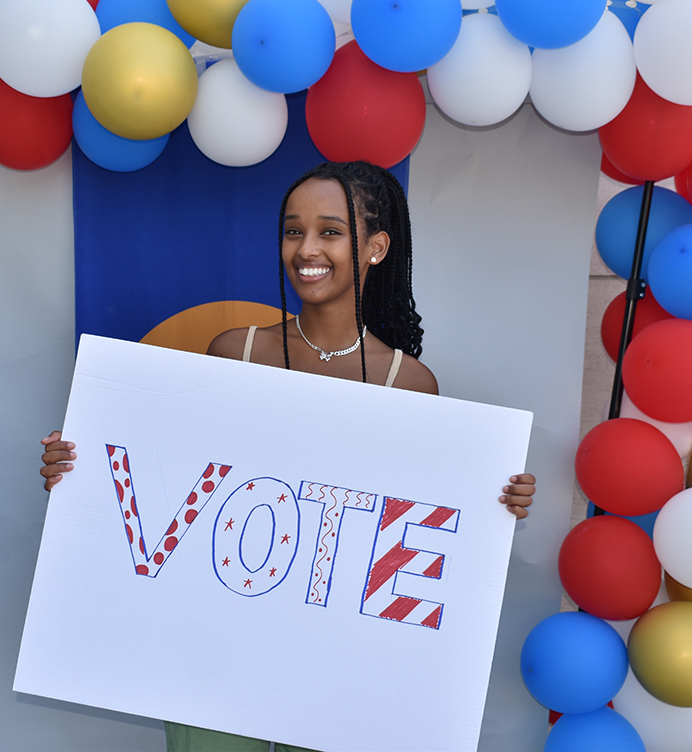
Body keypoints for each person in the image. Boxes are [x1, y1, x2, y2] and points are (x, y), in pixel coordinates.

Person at [39, 160, 536, 751]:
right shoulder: (235, 351)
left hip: (333, 658)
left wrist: (492, 502)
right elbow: (175, 482)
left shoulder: (409, 383)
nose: (306, 248)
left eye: (330, 231)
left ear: (375, 247)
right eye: (293, 230)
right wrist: (83, 470)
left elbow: (409, 531)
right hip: (214, 640)